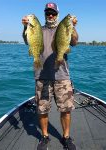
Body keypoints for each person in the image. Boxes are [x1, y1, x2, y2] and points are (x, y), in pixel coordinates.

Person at [22, 2, 78, 150]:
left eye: (53, 13)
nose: (50, 15)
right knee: (42, 109)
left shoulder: (64, 27)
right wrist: (24, 27)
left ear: (57, 14)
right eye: (48, 13)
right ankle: (45, 137)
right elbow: (27, 40)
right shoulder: (38, 29)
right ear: (45, 15)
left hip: (62, 75)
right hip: (41, 75)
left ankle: (66, 137)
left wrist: (73, 27)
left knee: (66, 109)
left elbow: (74, 42)